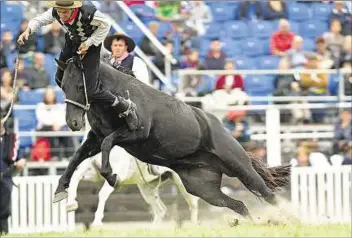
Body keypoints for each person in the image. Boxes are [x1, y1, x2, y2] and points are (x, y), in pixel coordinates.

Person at [17, 0, 138, 130]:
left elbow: (106, 24)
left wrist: (89, 43)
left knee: (92, 89)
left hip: (92, 47)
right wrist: (28, 30)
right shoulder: (56, 11)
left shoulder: (88, 13)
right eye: (59, 11)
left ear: (72, 9)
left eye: (65, 12)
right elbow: (40, 20)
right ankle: (78, 102)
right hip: (72, 42)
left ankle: (123, 105)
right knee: (59, 78)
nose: (61, 15)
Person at [0, 119, 26, 235]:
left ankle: (4, 232)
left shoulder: (11, 137)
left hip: (5, 175)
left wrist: (21, 160)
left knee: (4, 207)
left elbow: (18, 156)